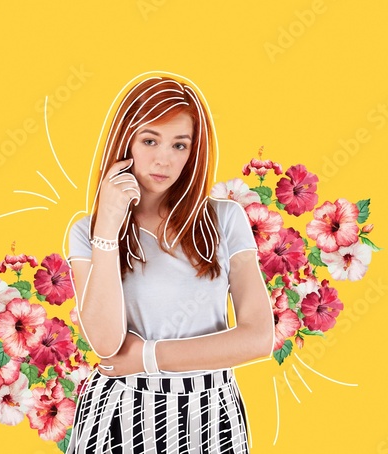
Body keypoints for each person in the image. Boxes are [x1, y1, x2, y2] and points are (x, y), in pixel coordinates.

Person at [65, 74, 274, 453]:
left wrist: (146, 357)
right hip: (118, 412)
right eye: (149, 141)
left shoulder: (224, 219)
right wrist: (109, 227)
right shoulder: (87, 231)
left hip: (211, 414)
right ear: (125, 140)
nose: (164, 159)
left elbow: (259, 337)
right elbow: (105, 343)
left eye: (180, 145)